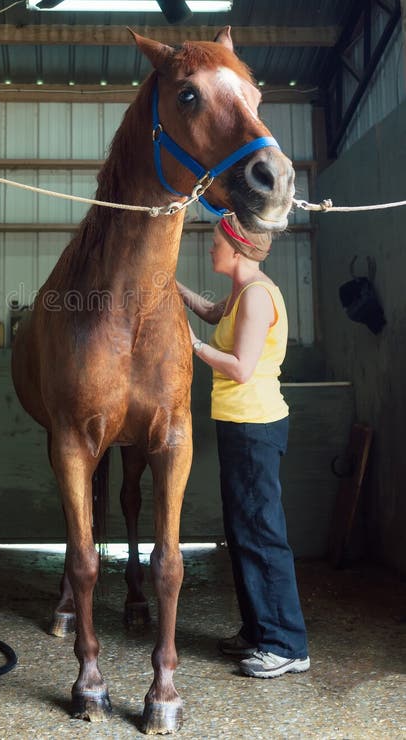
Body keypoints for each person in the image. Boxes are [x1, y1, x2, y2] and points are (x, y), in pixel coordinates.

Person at [177, 212, 309, 679]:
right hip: (240, 425)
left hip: (255, 426)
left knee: (261, 533)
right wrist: (176, 290)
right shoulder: (241, 291)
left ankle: (287, 644)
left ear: (236, 250)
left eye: (215, 243)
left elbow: (239, 367)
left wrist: (190, 344)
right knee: (242, 531)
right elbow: (215, 313)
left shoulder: (256, 297)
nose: (210, 249)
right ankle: (259, 630)